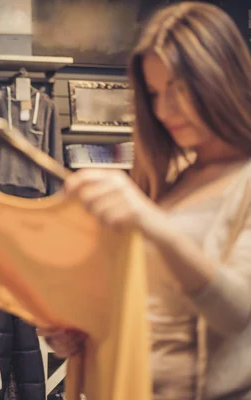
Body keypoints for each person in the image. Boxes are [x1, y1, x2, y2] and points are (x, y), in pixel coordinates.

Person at [39, 2, 251, 399]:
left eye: (179, 89)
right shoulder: (173, 177)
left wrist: (150, 220)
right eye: (154, 93)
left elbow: (239, 313)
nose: (164, 109)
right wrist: (79, 331)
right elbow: (148, 308)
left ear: (220, 79)